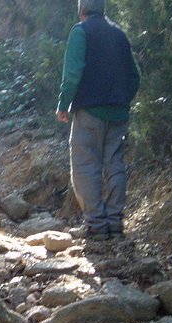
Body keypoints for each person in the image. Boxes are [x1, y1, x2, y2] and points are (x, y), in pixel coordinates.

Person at [56, 0, 140, 241]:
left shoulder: (80, 31)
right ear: (103, 9)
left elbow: (72, 74)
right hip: (118, 112)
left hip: (89, 112)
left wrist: (64, 105)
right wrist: (123, 99)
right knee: (114, 164)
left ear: (81, 10)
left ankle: (96, 226)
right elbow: (135, 76)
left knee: (85, 167)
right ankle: (115, 224)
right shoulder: (120, 34)